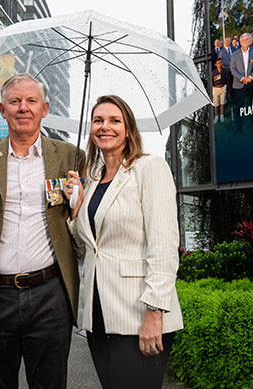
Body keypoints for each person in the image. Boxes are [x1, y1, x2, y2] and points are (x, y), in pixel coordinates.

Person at [0, 73, 83, 389]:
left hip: (50, 296)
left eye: (31, 101)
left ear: (44, 109)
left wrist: (76, 204)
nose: (23, 108)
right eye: (15, 101)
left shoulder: (71, 158)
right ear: (2, 110)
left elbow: (83, 226)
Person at [63, 95, 183, 389]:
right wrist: (76, 210)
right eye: (98, 121)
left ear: (128, 130)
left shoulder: (149, 168)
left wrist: (155, 314)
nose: (105, 127)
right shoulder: (91, 181)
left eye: (114, 121)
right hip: (98, 315)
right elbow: (86, 250)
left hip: (139, 314)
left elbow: (164, 244)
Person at [230, 32, 253, 131]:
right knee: (239, 107)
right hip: (239, 84)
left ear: (250, 41)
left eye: (247, 39)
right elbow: (232, 69)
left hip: (251, 83)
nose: (245, 41)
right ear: (240, 42)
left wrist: (250, 77)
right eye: (243, 40)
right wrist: (242, 78)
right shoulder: (235, 54)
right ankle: (239, 127)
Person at [212, 58, 229, 123]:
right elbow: (212, 81)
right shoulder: (213, 72)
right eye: (218, 63)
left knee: (222, 102)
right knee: (216, 103)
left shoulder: (225, 71)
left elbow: (227, 79)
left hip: (223, 87)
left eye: (221, 63)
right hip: (216, 88)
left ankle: (222, 115)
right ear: (216, 65)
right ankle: (216, 116)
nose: (220, 64)